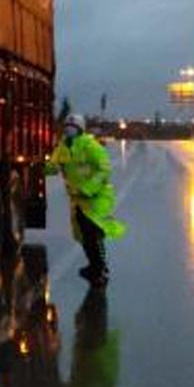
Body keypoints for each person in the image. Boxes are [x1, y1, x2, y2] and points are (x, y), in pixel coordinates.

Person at [48, 114, 126, 286]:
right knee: (83, 236)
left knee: (93, 234)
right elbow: (52, 166)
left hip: (96, 197)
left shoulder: (90, 146)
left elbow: (104, 170)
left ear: (80, 129)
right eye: (67, 126)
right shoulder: (62, 148)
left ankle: (100, 270)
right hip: (77, 199)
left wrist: (88, 189)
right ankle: (94, 267)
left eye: (72, 127)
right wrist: (44, 167)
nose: (69, 129)